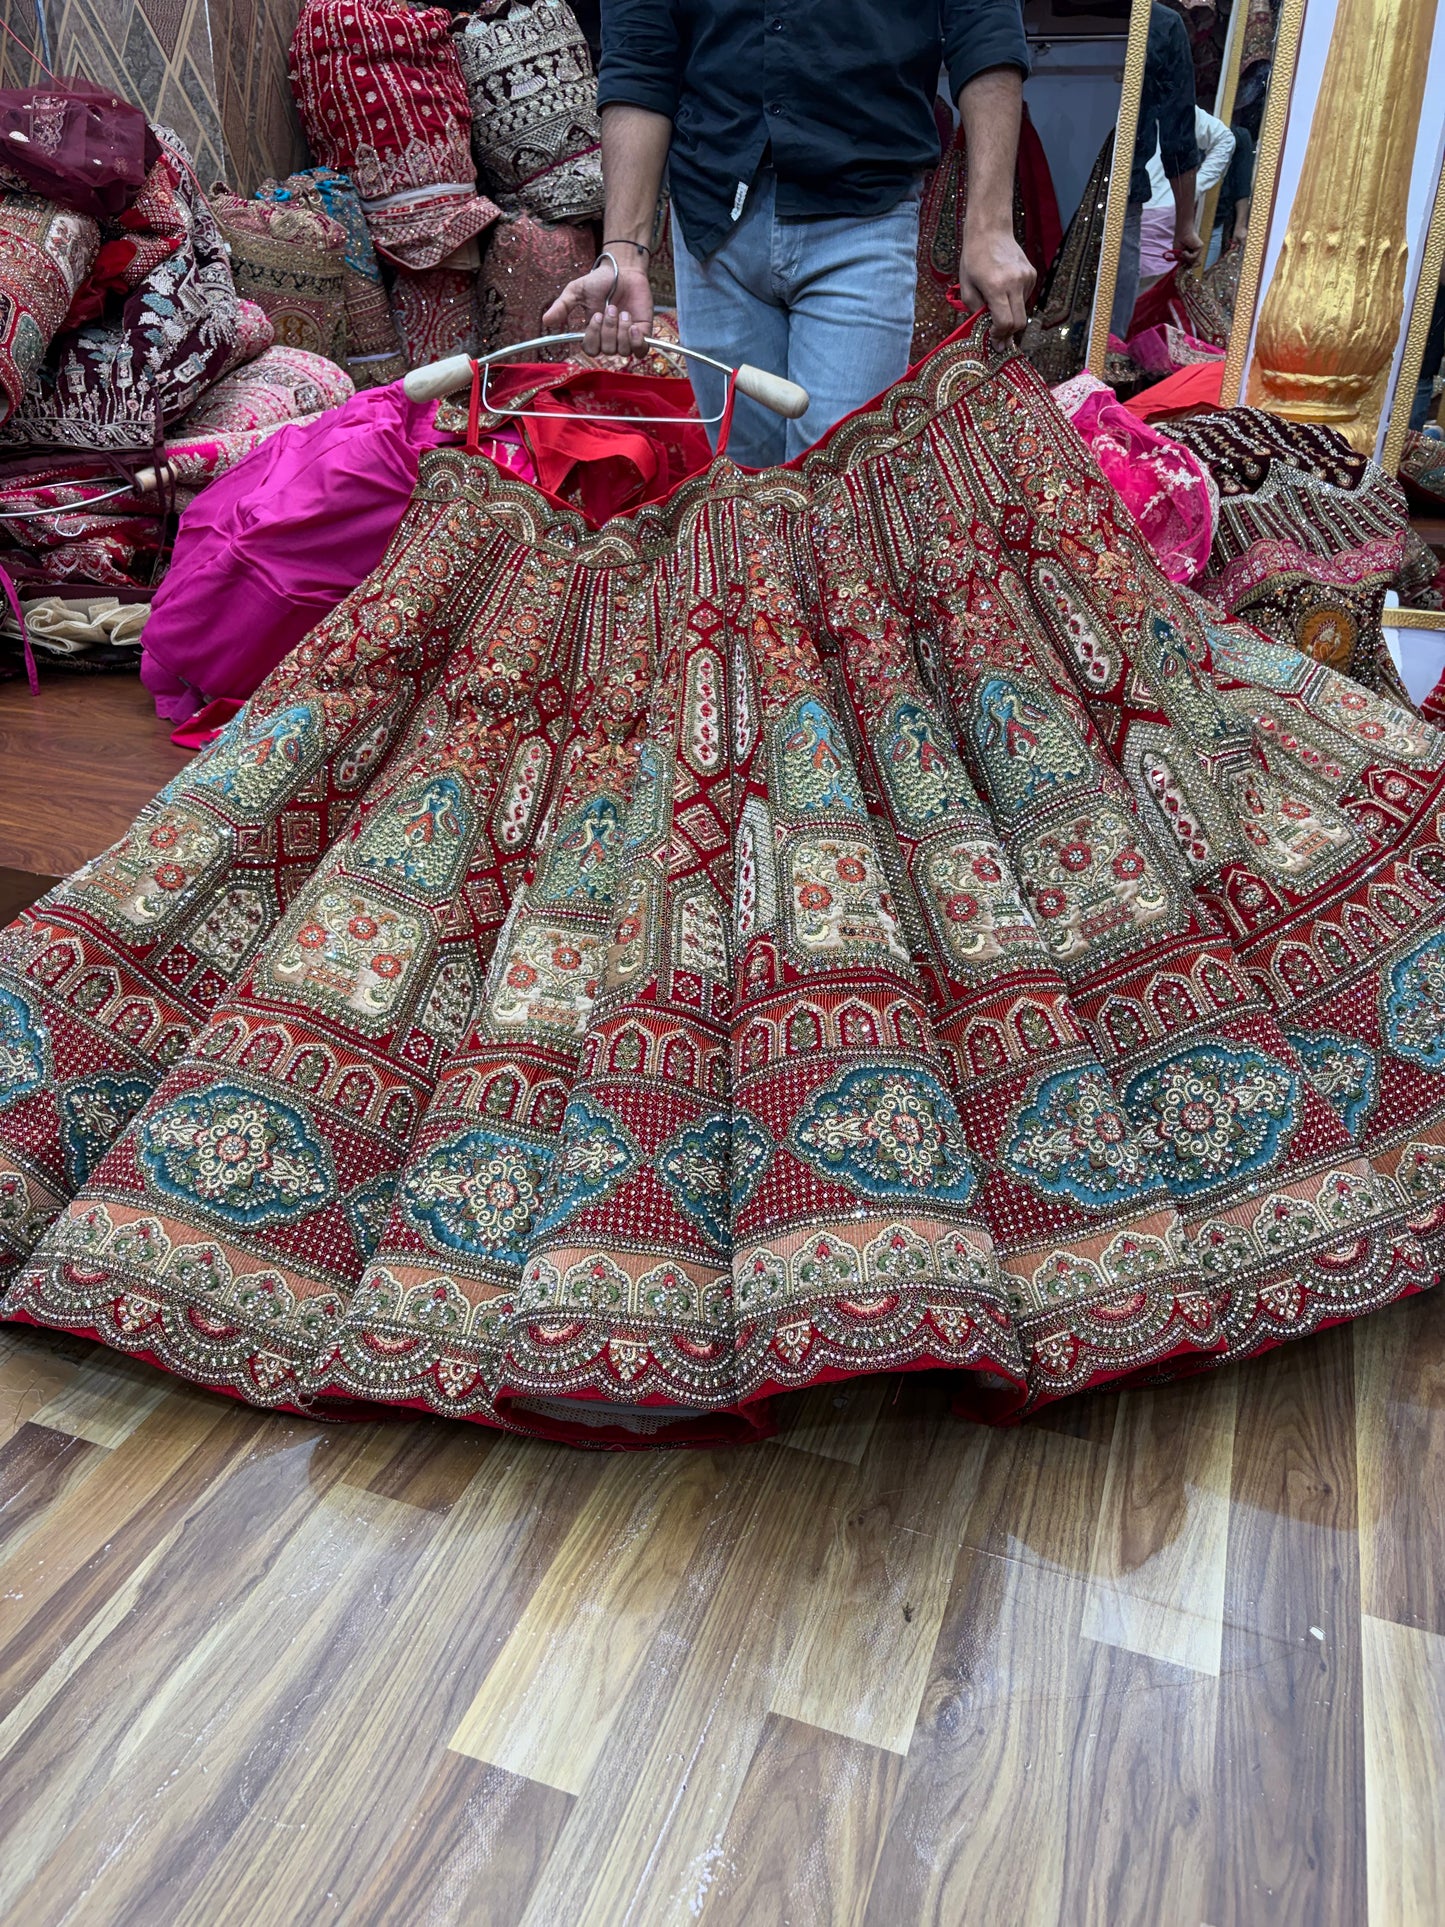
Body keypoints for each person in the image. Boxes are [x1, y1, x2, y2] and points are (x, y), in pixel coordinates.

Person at [541, 1, 1036, 465]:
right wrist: (624, 252)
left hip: (863, 210)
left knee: (840, 500)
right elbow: (640, 47)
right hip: (716, 222)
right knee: (745, 503)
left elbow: (983, 19)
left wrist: (990, 226)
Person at [1109, 1, 1201, 340]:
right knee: (1104, 345)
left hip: (1023, 191)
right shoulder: (1160, 23)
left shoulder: (1019, 11)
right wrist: (1184, 225)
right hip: (1119, 203)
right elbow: (1178, 136)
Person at [1138, 104, 1234, 285]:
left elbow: (1224, 139)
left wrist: (1193, 187)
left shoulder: (1172, 101)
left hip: (1158, 208)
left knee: (1148, 290)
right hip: (1134, 206)